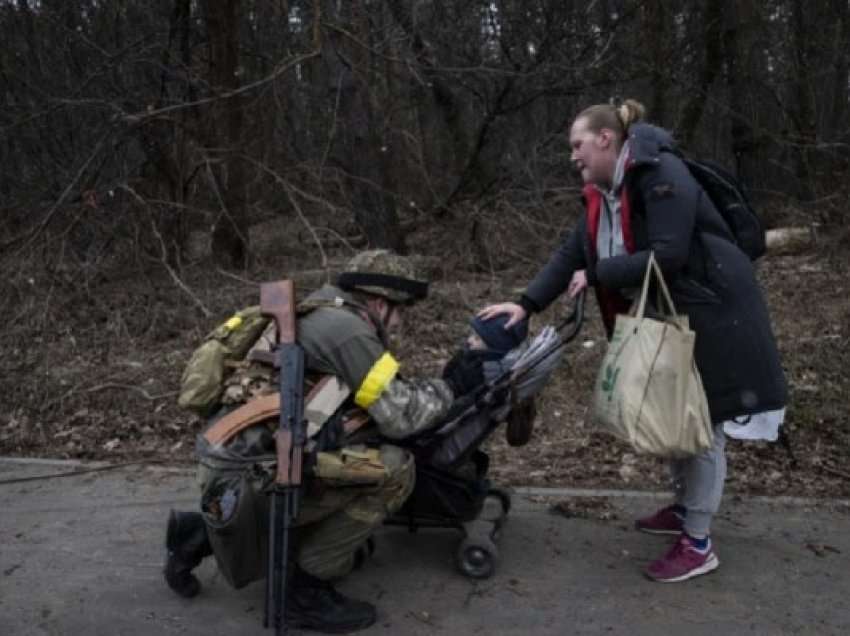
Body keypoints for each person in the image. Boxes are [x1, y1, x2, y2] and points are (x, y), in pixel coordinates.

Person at [479, 99, 787, 582]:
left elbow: (669, 253)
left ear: (606, 139)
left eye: (578, 145)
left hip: (713, 317)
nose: (573, 156)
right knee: (672, 415)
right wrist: (526, 303)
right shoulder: (606, 191)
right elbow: (571, 251)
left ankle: (698, 542)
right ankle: (686, 509)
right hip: (672, 316)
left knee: (701, 426)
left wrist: (598, 272)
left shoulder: (660, 174)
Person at [164, 249, 458, 633]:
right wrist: (450, 389)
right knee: (394, 469)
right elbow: (401, 416)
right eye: (400, 310)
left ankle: (199, 533)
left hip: (227, 470)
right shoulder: (351, 332)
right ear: (378, 302)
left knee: (324, 460)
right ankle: (307, 587)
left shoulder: (313, 311)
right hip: (261, 474)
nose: (401, 321)